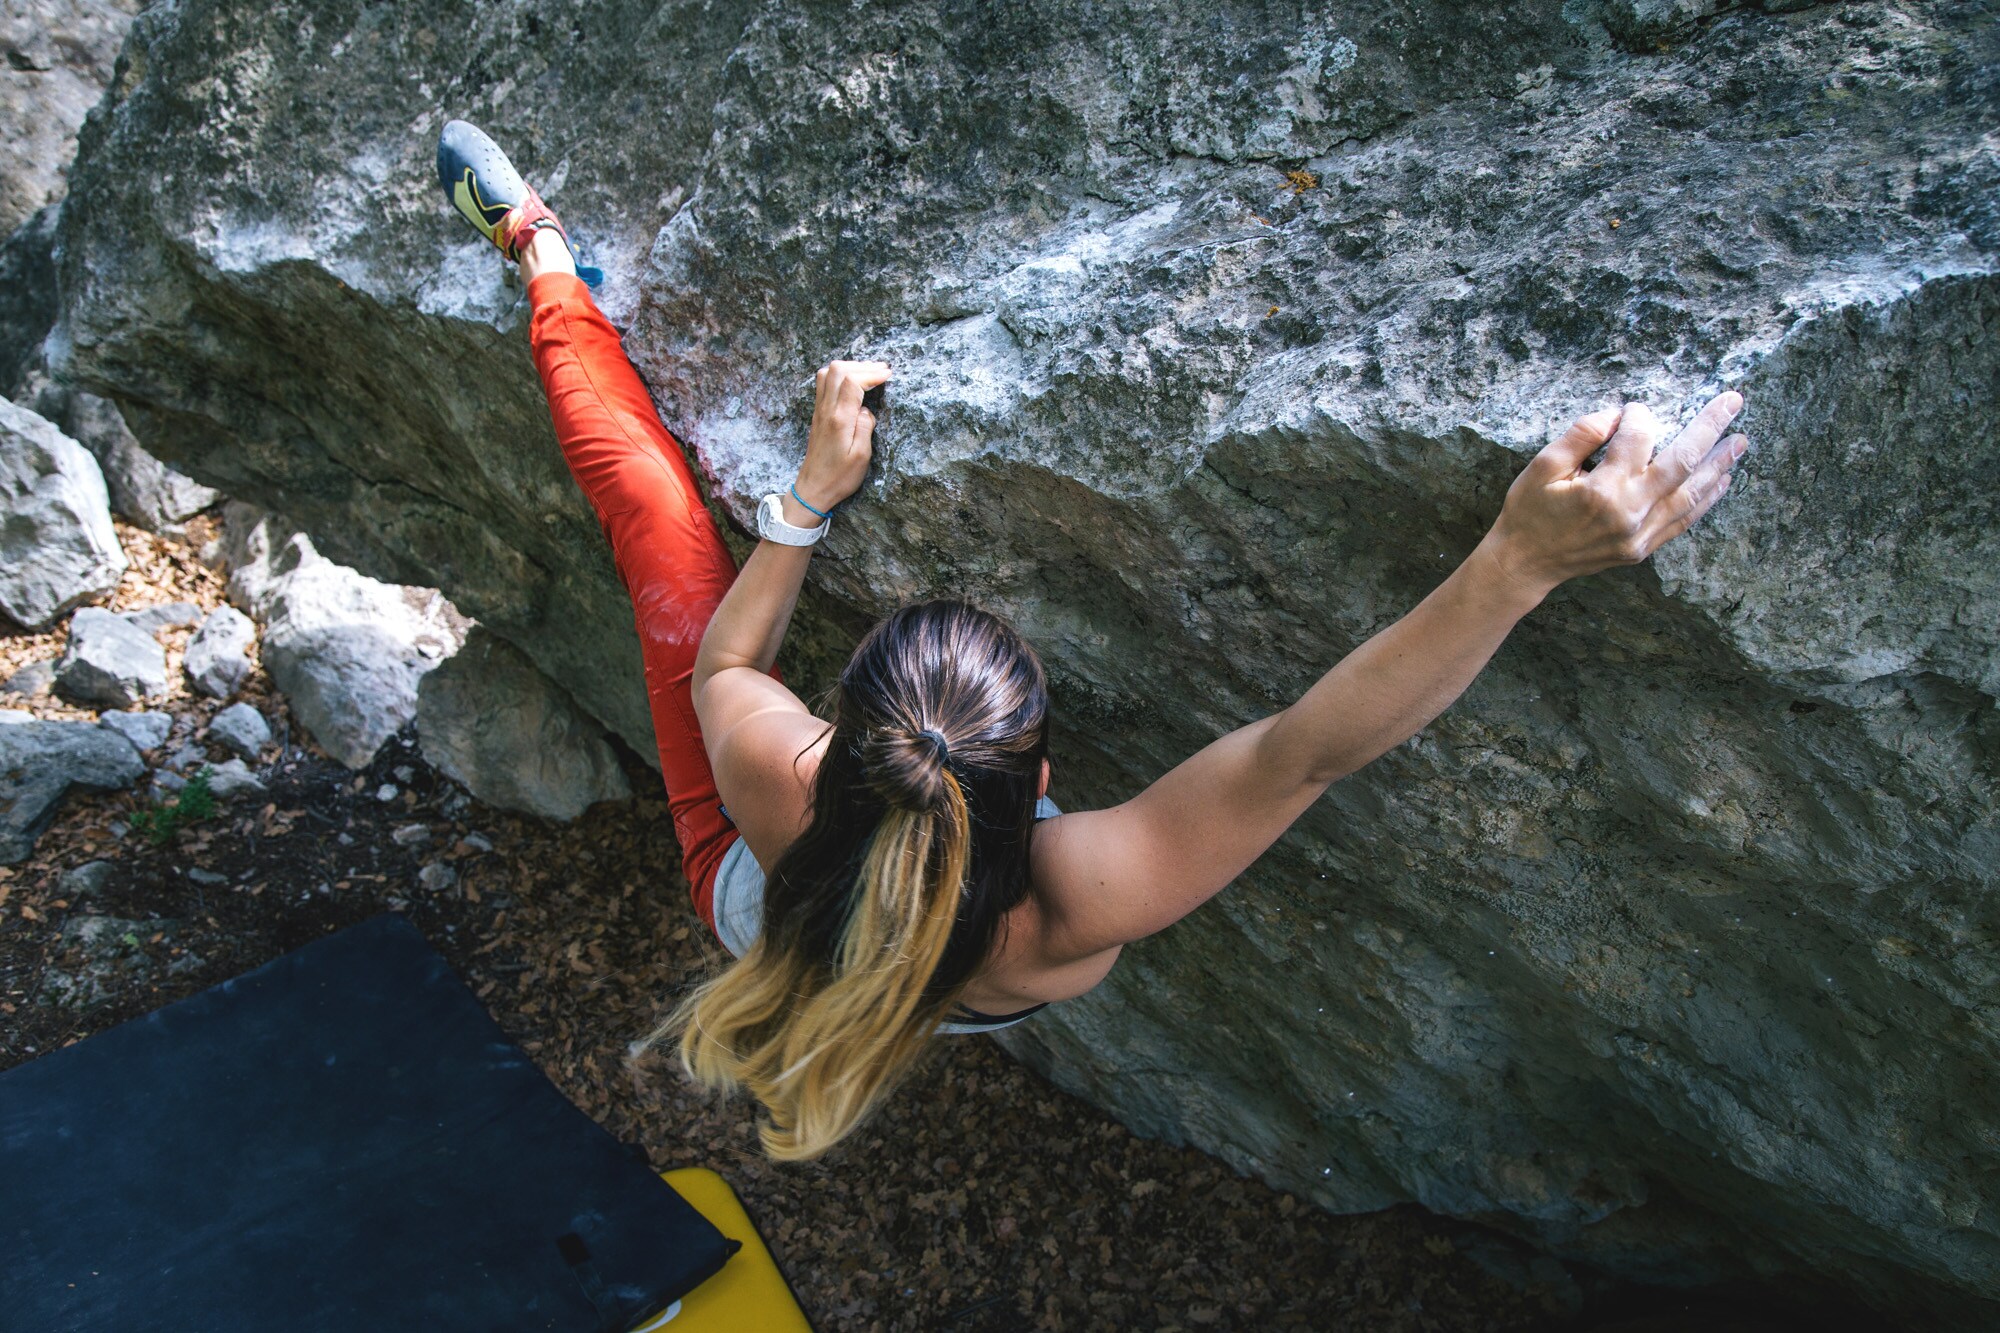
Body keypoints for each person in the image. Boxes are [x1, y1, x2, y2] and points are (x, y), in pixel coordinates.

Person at [437, 121, 1749, 1161]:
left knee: (661, 519)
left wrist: (807, 504)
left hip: (752, 901)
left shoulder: (771, 782)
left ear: (832, 744)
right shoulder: (1072, 907)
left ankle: (540, 251)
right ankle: (543, 249)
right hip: (870, 942)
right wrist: (1517, 558)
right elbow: (1299, 755)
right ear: (1041, 778)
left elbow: (723, 661)